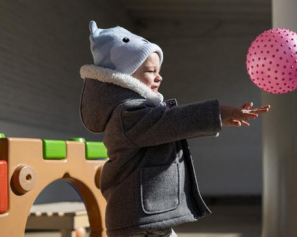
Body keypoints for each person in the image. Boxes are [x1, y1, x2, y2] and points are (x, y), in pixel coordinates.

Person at [79, 21, 270, 237]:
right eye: (150, 71)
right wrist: (219, 112)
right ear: (123, 78)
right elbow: (171, 122)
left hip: (148, 216)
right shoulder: (128, 114)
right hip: (137, 221)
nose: (159, 77)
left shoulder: (138, 111)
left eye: (158, 71)